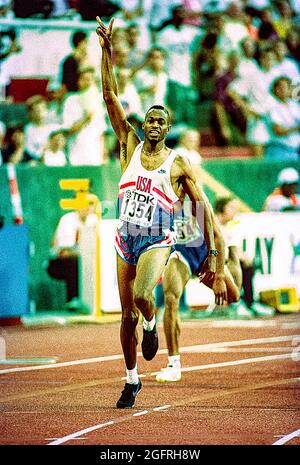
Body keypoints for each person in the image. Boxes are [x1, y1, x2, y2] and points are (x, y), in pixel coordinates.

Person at [96, 16, 226, 409]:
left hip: (157, 238)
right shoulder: (129, 145)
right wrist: (107, 51)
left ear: (167, 129)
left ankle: (151, 324)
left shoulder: (178, 163)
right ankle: (131, 379)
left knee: (141, 296)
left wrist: (215, 258)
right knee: (124, 316)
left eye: (160, 121)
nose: (153, 125)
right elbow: (109, 97)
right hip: (125, 238)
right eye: (150, 119)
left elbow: (204, 209)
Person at [156, 193, 241, 382]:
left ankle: (232, 257)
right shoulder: (160, 203)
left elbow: (218, 239)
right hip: (181, 256)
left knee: (233, 296)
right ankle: (174, 364)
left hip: (205, 257)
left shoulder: (196, 203)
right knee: (171, 299)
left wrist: (219, 276)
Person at [46, 198, 98, 310]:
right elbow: (65, 251)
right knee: (74, 262)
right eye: (86, 204)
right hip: (58, 261)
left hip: (82, 257)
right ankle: (73, 300)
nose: (88, 208)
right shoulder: (68, 219)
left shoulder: (94, 219)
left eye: (91, 204)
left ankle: (92, 301)